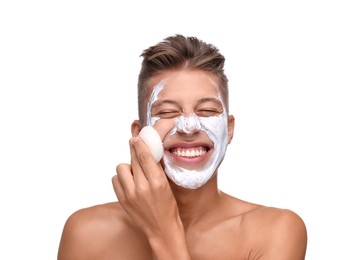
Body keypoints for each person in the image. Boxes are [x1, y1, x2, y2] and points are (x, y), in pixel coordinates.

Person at [57, 34, 307, 259]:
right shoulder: (87, 234)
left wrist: (163, 231)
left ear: (229, 129)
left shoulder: (275, 232)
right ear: (138, 133)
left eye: (207, 110)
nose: (189, 125)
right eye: (167, 112)